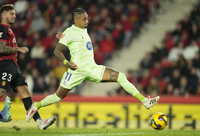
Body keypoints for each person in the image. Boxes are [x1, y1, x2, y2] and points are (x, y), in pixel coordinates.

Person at [26, 8, 160, 121]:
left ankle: (145, 101)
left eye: (87, 18)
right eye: (84, 19)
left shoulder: (79, 30)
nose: (87, 21)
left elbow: (76, 39)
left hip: (92, 68)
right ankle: (35, 107)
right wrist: (67, 63)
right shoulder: (71, 31)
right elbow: (57, 50)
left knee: (121, 77)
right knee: (57, 96)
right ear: (76, 20)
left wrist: (64, 36)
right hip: (76, 70)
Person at [0, 4, 56, 129]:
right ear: (3, 15)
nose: (14, 15)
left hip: (13, 65)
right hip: (5, 64)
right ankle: (1, 115)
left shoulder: (8, 29)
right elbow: (1, 48)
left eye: (14, 13)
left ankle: (40, 122)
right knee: (2, 91)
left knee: (25, 91)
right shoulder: (2, 28)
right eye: (11, 13)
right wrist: (18, 49)